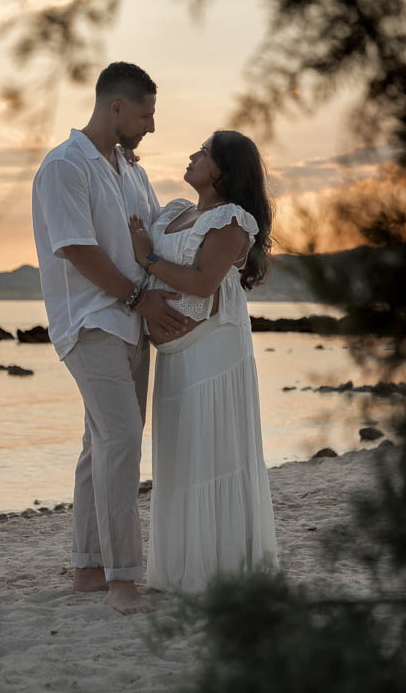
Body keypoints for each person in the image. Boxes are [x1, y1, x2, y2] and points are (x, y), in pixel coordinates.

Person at [32, 62, 192, 615]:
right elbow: (77, 248)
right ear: (116, 107)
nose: (151, 125)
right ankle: (124, 581)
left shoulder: (130, 170)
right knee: (122, 439)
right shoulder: (64, 166)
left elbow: (151, 237)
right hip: (91, 320)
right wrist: (135, 298)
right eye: (146, 113)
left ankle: (88, 568)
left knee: (98, 446)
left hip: (129, 321)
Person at [128, 130, 278, 593]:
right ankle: (181, 565)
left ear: (222, 171)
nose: (192, 156)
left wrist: (147, 259)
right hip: (177, 353)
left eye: (204, 152)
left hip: (214, 348)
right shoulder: (176, 211)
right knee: (182, 448)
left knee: (212, 448)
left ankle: (220, 566)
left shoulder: (232, 220)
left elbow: (202, 283)